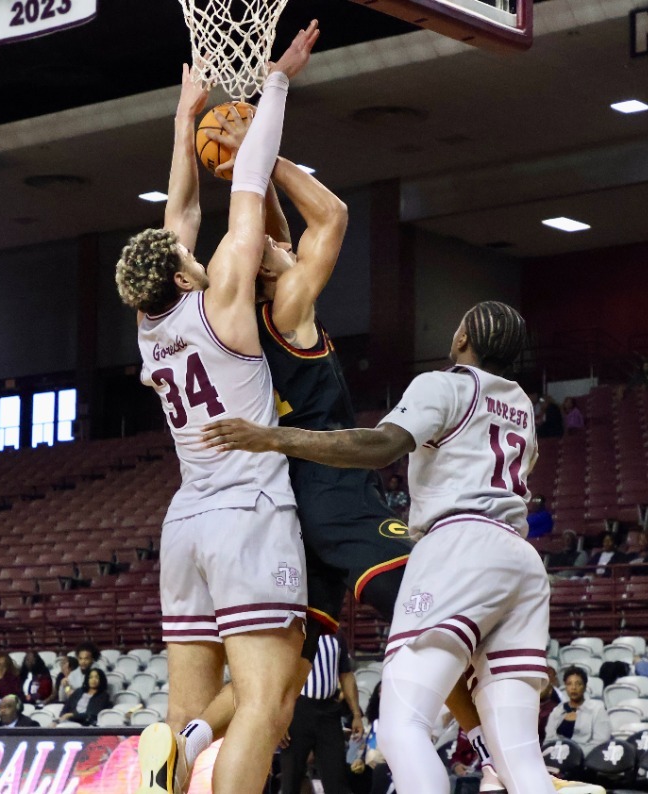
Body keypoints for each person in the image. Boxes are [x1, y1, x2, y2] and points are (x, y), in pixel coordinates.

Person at [136, 65, 522, 794]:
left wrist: (205, 134)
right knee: (426, 602)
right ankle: (483, 746)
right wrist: (259, 139)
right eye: (278, 253)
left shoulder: (193, 317)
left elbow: (203, 221)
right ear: (267, 270)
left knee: (276, 684)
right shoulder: (287, 306)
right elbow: (330, 218)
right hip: (317, 488)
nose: (287, 248)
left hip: (242, 509)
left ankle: (189, 736)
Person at [203, 301, 556, 794]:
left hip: (461, 545)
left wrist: (272, 438)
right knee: (518, 752)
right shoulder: (520, 403)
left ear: (460, 340)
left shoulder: (445, 383)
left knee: (401, 727)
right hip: (521, 559)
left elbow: (380, 446)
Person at [118, 23, 321, 794]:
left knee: (191, 710)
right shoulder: (225, 302)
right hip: (247, 511)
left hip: (186, 523)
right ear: (181, 267)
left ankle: (179, 754)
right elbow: (243, 189)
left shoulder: (151, 326)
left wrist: (183, 123)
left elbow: (178, 216)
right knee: (266, 706)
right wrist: (277, 82)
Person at [281, 634, 363, 794]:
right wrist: (279, 718)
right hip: (297, 711)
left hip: (329, 713)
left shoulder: (338, 635)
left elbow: (346, 675)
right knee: (290, 781)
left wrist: (356, 714)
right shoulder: (294, 629)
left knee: (337, 780)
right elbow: (277, 675)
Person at [544, 667, 610, 753]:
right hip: (557, 756)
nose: (573, 688)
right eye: (569, 684)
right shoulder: (558, 710)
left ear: (585, 686)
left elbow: (600, 742)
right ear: (565, 686)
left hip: (585, 759)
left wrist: (574, 753)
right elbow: (548, 741)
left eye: (578, 684)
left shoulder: (597, 709)